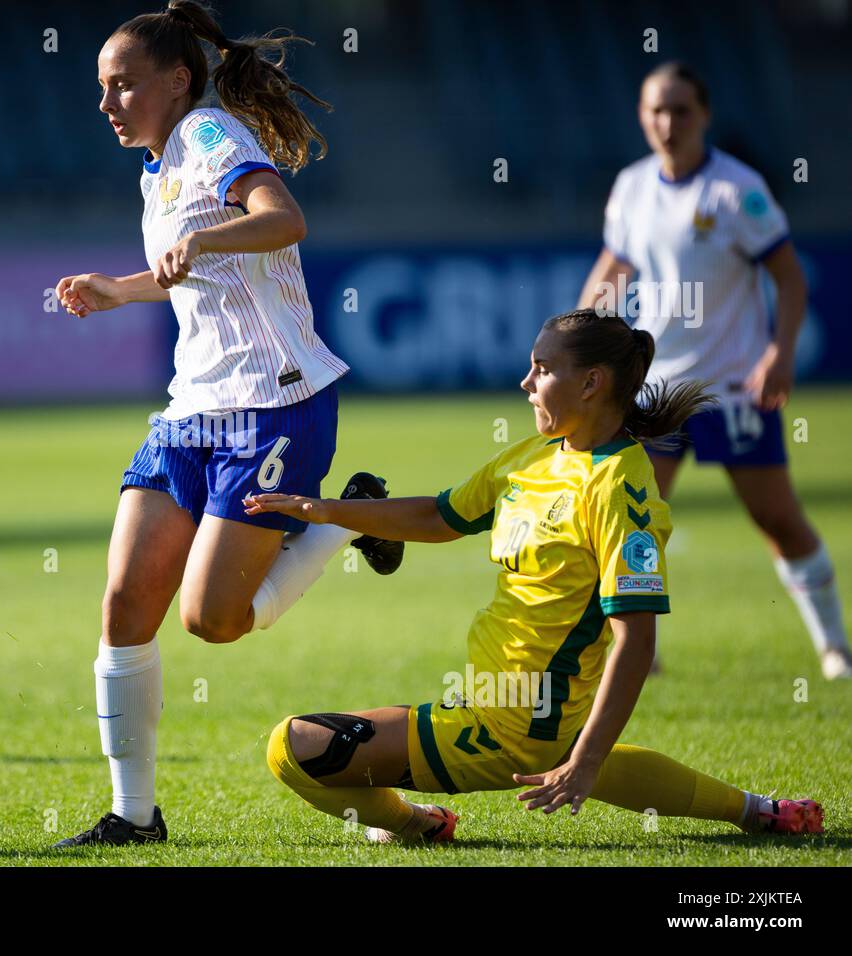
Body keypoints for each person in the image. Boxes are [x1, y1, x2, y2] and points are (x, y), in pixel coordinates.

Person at [247, 310, 824, 844]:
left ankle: (416, 825)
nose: (526, 383)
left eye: (543, 369)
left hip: (515, 725)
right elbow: (439, 515)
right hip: (492, 705)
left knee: (292, 749)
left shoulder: (621, 491)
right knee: (576, 752)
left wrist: (587, 761)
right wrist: (326, 512)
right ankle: (757, 810)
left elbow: (637, 639)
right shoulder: (535, 455)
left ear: (592, 383)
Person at [51, 1, 401, 847]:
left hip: (275, 402)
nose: (108, 104)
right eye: (102, 88)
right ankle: (134, 818)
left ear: (177, 81)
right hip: (193, 408)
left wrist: (203, 246)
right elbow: (187, 270)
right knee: (127, 604)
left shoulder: (209, 136)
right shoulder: (159, 164)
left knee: (212, 620)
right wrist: (119, 287)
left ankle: (345, 521)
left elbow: (284, 220)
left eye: (124, 85)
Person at [577, 61, 851, 680]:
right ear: (641, 117)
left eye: (679, 110)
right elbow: (613, 271)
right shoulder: (631, 187)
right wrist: (578, 335)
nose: (667, 122)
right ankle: (634, 657)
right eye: (655, 110)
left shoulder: (737, 191)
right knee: (634, 522)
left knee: (777, 518)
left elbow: (788, 275)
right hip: (656, 389)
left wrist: (779, 352)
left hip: (732, 391)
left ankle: (835, 648)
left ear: (703, 115)